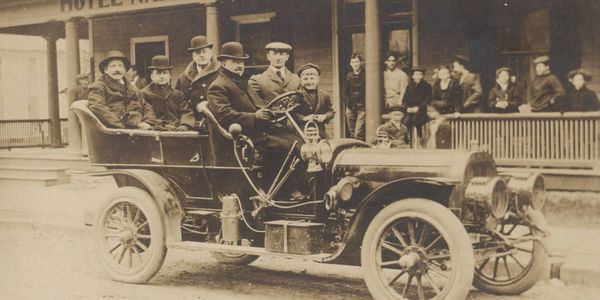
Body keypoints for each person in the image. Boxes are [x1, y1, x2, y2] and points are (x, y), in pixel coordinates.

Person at [208, 42, 305, 199]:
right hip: (242, 136)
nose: (239, 65)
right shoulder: (218, 86)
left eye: (241, 61)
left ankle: (296, 187)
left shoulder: (242, 82)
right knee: (283, 145)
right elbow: (224, 115)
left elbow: (260, 105)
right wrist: (255, 117)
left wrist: (272, 112)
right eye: (235, 62)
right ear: (224, 63)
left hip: (258, 130)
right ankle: (278, 192)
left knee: (297, 141)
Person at [88, 50, 157, 130]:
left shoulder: (132, 89)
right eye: (113, 66)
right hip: (115, 131)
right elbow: (98, 108)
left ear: (124, 70)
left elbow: (146, 107)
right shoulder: (98, 87)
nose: (117, 69)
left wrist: (147, 122)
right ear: (105, 70)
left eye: (120, 66)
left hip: (138, 130)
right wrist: (123, 126)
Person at [139, 55, 195, 131]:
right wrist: (161, 125)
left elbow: (186, 112)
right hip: (154, 130)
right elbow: (147, 114)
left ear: (169, 76)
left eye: (165, 73)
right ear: (152, 76)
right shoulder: (144, 93)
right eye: (158, 73)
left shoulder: (178, 94)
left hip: (176, 131)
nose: (162, 76)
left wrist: (184, 125)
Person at [175, 35, 221, 116]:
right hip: (190, 122)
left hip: (215, 121)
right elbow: (178, 103)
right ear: (193, 56)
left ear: (210, 53)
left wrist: (209, 103)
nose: (202, 55)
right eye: (198, 52)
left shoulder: (221, 74)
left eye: (204, 51)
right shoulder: (183, 78)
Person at [294, 63, 334, 138]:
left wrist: (324, 116)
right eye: (305, 79)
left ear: (318, 79)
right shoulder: (296, 95)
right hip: (302, 132)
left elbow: (331, 111)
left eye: (312, 78)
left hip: (320, 131)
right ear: (301, 80)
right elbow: (292, 113)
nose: (309, 82)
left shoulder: (325, 95)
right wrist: (304, 118)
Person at [403, 67, 432, 144]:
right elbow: (404, 100)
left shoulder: (427, 86)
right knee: (406, 121)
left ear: (423, 76)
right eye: (416, 74)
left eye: (420, 75)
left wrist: (418, 108)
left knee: (417, 120)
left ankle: (420, 137)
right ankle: (407, 138)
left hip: (421, 109)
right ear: (412, 76)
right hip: (410, 109)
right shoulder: (409, 86)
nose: (418, 76)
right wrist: (407, 108)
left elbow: (427, 99)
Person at [344, 53, 366, 141]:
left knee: (358, 132)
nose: (355, 64)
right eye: (353, 62)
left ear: (360, 63)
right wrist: (348, 102)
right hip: (351, 106)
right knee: (352, 132)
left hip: (362, 107)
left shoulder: (365, 75)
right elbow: (346, 91)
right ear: (350, 64)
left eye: (357, 61)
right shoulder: (349, 76)